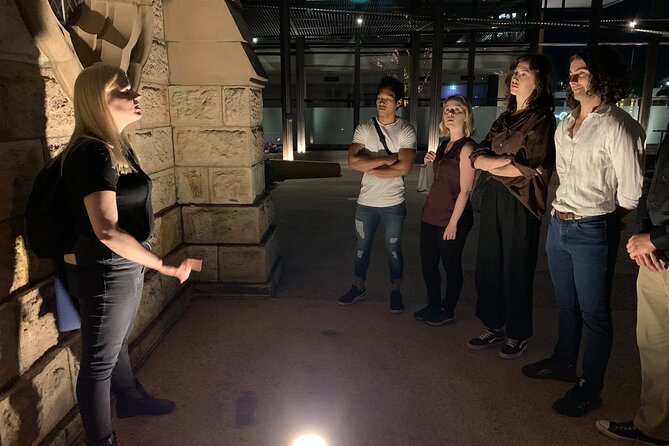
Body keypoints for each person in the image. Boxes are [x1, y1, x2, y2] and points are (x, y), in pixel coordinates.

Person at [61, 63, 202, 446]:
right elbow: (106, 230)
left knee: (115, 342)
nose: (135, 94)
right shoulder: (93, 153)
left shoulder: (113, 147)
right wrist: (163, 265)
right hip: (107, 269)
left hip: (122, 264)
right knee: (99, 362)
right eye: (123, 90)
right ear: (99, 100)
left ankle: (129, 398)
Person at [522, 45, 645, 417]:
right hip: (559, 224)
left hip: (592, 227)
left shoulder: (618, 125)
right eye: (571, 74)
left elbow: (631, 192)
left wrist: (602, 220)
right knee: (566, 304)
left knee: (595, 312)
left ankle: (591, 387)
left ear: (601, 77)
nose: (572, 80)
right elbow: (565, 177)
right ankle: (563, 362)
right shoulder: (566, 124)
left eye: (582, 73)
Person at [467, 55, 557, 359]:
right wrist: (502, 162)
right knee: (488, 265)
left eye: (524, 73)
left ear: (539, 81)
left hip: (522, 202)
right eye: (514, 72)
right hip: (494, 196)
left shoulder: (542, 119)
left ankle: (518, 333)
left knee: (516, 269)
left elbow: (529, 168)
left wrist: (491, 163)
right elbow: (476, 156)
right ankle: (493, 324)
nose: (515, 77)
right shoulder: (504, 119)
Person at [595, 122, 669, 446]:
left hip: (659, 245)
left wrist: (654, 238)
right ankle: (655, 426)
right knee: (655, 347)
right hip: (656, 254)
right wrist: (643, 233)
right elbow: (655, 180)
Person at [338, 76, 417, 313]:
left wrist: (370, 166)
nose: (382, 102)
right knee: (361, 248)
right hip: (366, 202)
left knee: (393, 249)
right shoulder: (364, 128)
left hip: (394, 203)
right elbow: (352, 162)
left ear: (399, 102)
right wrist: (386, 160)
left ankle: (396, 291)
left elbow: (404, 168)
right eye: (379, 97)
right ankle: (358, 286)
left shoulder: (405, 130)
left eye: (388, 98)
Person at [413, 95, 476, 325]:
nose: (450, 113)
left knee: (451, 265)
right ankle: (433, 305)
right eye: (447, 109)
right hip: (431, 213)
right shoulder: (443, 145)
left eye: (456, 110)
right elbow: (439, 180)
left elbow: (465, 190)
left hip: (453, 217)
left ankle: (448, 309)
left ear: (466, 116)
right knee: (428, 264)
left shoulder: (467, 148)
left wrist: (453, 223)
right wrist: (431, 161)